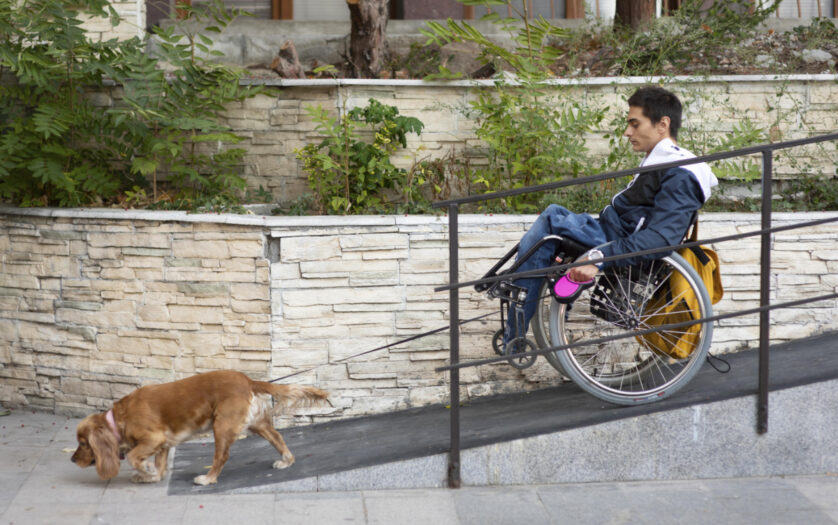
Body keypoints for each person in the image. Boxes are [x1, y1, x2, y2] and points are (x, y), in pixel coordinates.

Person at [504, 85, 718, 347]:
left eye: (634, 124)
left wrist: (599, 256)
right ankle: (532, 297)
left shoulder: (681, 173)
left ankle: (515, 327)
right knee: (554, 223)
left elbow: (661, 238)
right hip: (612, 231)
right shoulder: (666, 164)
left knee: (553, 217)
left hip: (616, 242)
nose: (627, 132)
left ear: (663, 124)